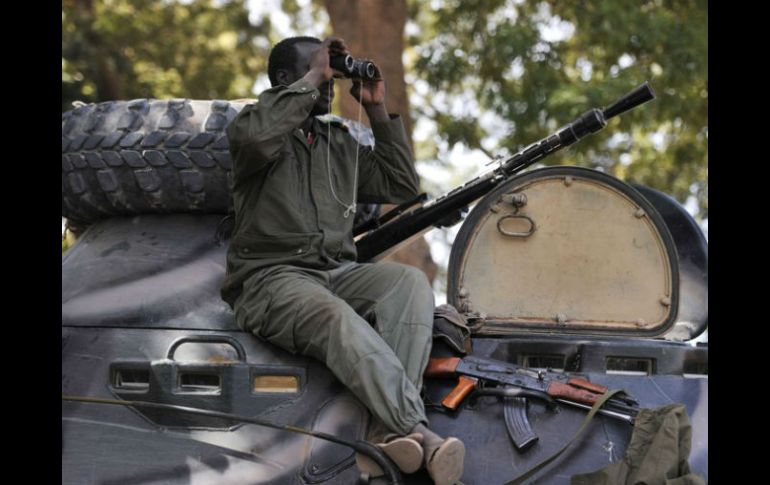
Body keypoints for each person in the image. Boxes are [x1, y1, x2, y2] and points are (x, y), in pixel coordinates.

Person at [220, 36, 465, 484]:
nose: (330, 80)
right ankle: (416, 431)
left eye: (330, 72)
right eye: (319, 70)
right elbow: (257, 141)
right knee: (333, 317)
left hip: (335, 273)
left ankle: (386, 435)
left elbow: (399, 184)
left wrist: (375, 108)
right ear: (284, 80)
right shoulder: (253, 127)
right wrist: (315, 76)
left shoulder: (336, 142)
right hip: (271, 280)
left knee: (408, 284)